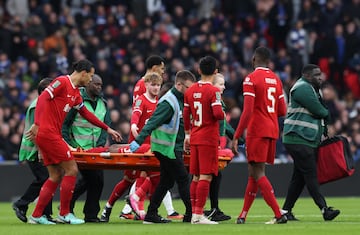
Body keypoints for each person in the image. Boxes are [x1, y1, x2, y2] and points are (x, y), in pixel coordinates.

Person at [26, 59, 122, 225]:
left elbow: (86, 114)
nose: (91, 80)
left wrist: (107, 129)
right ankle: (64, 214)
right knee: (72, 169)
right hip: (48, 133)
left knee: (55, 175)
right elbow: (42, 99)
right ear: (83, 73)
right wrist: (37, 123)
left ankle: (36, 215)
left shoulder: (76, 93)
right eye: (90, 76)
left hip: (48, 134)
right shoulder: (62, 82)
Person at [129, 70, 196, 224]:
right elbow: (153, 121)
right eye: (188, 87)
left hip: (170, 147)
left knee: (167, 181)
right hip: (167, 149)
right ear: (179, 85)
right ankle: (191, 214)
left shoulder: (180, 100)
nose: (190, 91)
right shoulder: (169, 102)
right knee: (183, 179)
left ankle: (152, 214)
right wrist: (138, 140)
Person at [231, 46, 287, 224]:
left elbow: (247, 111)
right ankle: (243, 214)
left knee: (258, 172)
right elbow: (282, 110)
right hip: (272, 130)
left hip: (257, 130)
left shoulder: (251, 79)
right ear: (269, 61)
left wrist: (237, 135)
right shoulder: (276, 80)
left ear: (254, 59)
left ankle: (279, 214)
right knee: (253, 172)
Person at [281, 64, 340, 221]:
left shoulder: (312, 88)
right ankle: (324, 209)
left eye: (320, 74)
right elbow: (320, 110)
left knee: (299, 177)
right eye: (316, 75)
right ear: (307, 75)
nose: (320, 77)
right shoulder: (302, 87)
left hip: (304, 138)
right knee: (310, 174)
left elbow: (321, 111)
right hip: (297, 137)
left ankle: (285, 210)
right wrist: (326, 114)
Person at [62, 74, 110, 223]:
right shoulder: (77, 101)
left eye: (101, 85)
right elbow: (65, 125)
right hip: (80, 150)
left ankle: (85, 212)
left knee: (96, 181)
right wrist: (70, 144)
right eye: (96, 84)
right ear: (88, 84)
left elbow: (104, 126)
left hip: (96, 150)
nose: (99, 87)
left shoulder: (103, 103)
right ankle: (83, 212)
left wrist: (101, 144)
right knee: (92, 180)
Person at [183, 56, 225, 225]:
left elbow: (186, 115)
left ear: (199, 70)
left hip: (195, 136)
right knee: (206, 177)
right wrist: (220, 103)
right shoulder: (214, 92)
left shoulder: (190, 90)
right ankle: (198, 215)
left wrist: (187, 134)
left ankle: (194, 212)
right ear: (215, 72)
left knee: (195, 177)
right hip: (208, 138)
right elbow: (218, 115)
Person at [12, 78, 54, 223]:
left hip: (40, 149)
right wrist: (41, 151)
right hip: (34, 151)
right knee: (45, 179)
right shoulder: (38, 106)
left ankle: (46, 214)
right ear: (43, 91)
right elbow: (36, 132)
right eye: (51, 89)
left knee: (49, 179)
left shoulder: (44, 105)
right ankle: (21, 204)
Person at [204, 73, 233, 222]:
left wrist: (237, 139)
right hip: (208, 143)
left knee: (213, 175)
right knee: (205, 175)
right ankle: (201, 210)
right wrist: (238, 139)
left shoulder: (217, 100)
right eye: (221, 84)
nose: (224, 87)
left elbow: (225, 126)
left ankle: (211, 208)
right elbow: (223, 125)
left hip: (211, 143)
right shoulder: (213, 100)